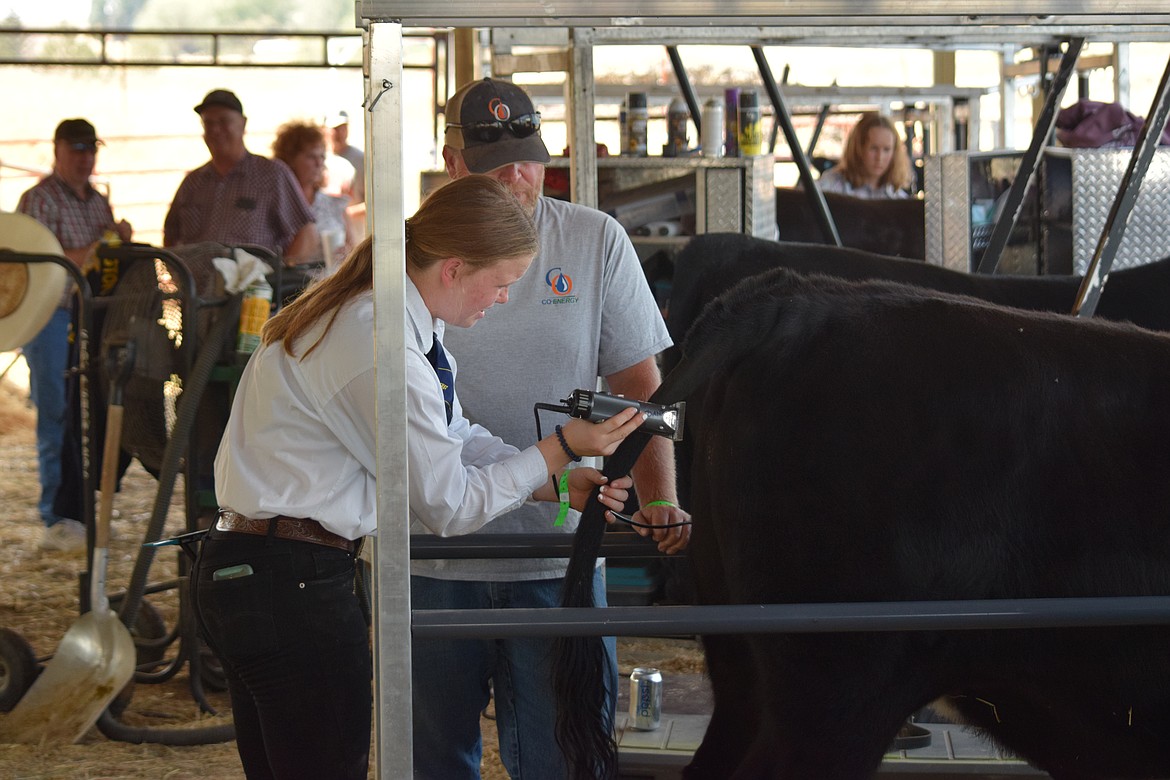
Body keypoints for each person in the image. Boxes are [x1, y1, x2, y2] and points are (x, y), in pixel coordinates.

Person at [192, 174, 644, 780]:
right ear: (454, 267)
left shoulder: (395, 326)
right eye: (502, 282)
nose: (504, 299)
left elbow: (455, 438)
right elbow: (447, 505)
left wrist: (554, 481)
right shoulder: (380, 343)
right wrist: (560, 447)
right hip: (291, 581)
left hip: (266, 569)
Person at [422, 76, 691, 778]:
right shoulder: (412, 248)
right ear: (453, 164)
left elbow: (641, 388)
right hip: (431, 553)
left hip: (559, 553)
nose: (517, 174)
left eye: (528, 156)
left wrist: (658, 497)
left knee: (562, 756)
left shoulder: (593, 239)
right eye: (495, 163)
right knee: (431, 758)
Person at [17, 118, 132, 552]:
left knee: (89, 413)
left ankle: (80, 511)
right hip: (51, 316)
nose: (86, 158)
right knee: (57, 412)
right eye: (78, 149)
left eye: (91, 150)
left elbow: (104, 257)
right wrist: (102, 244)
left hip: (92, 318)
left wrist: (117, 241)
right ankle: (55, 515)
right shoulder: (39, 200)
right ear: (58, 150)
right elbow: (38, 260)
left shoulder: (97, 201)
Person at [163, 89, 319, 264]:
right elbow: (170, 235)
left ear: (243, 124)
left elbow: (306, 233)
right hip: (196, 290)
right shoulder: (192, 183)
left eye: (224, 122)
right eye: (208, 123)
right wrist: (180, 278)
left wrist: (278, 281)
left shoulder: (272, 174)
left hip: (253, 290)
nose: (215, 130)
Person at [272, 120, 356, 269]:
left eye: (322, 157)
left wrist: (347, 254)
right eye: (311, 157)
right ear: (290, 160)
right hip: (289, 288)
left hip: (333, 285)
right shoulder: (275, 204)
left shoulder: (334, 205)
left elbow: (355, 252)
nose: (319, 163)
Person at [817, 112, 913, 200]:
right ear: (858, 148)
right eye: (874, 148)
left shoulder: (898, 198)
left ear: (894, 153)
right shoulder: (831, 186)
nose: (880, 157)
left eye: (886, 150)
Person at [325, 109, 364, 205]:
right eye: (335, 129)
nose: (340, 133)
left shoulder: (361, 159)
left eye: (343, 128)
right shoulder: (319, 159)